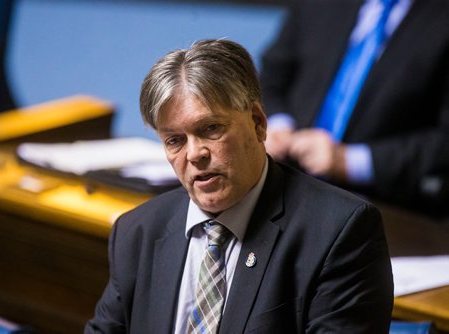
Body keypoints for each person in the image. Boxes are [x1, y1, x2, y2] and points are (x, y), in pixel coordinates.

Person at [85, 39, 393, 333]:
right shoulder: (137, 233)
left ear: (258, 122)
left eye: (211, 129)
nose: (194, 154)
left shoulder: (340, 233)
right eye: (174, 141)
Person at [261, 0, 449, 215]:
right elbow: (272, 76)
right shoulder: (316, 5)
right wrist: (278, 123)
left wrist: (348, 161)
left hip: (389, 208)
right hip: (285, 183)